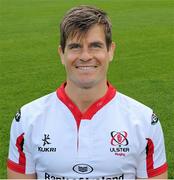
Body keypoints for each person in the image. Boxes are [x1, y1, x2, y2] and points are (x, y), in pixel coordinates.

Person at [7, 5, 168, 179]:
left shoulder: (144, 121)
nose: (85, 56)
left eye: (95, 46)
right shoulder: (27, 119)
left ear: (110, 51)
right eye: (75, 46)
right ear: (62, 53)